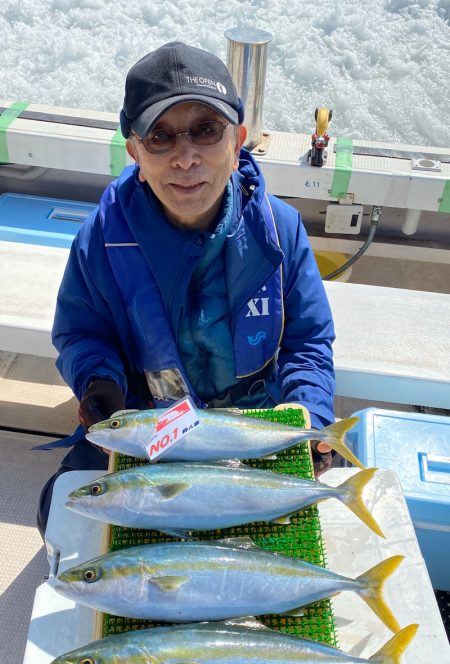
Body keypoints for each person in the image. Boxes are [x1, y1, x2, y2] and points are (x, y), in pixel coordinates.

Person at [37, 41, 336, 538]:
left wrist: (310, 408)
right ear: (133, 148)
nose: (186, 157)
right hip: (149, 423)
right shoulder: (100, 238)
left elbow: (307, 342)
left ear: (237, 138)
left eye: (205, 130)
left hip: (253, 425)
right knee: (62, 512)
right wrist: (99, 384)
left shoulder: (280, 231)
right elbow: (81, 333)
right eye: (161, 137)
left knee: (326, 516)